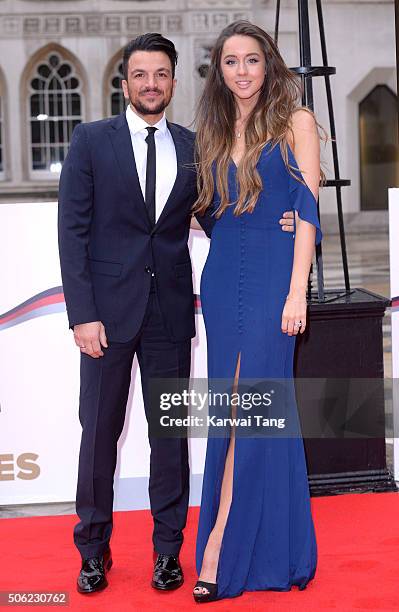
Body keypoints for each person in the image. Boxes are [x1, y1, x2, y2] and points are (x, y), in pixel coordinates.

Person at [58, 32, 296, 596]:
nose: (151, 84)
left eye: (161, 74)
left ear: (172, 81)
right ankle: (93, 551)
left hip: (169, 314)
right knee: (100, 435)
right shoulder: (92, 141)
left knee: (169, 438)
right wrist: (82, 314)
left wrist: (279, 223)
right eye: (140, 75)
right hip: (106, 319)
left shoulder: (195, 145)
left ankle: (169, 553)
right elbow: (73, 233)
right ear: (125, 84)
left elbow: (221, 216)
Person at [192, 20, 323, 603]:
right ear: (218, 72)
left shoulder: (296, 123)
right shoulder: (216, 131)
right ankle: (267, 544)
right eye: (230, 62)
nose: (241, 71)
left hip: (274, 280)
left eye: (251, 60)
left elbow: (308, 211)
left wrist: (297, 291)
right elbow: (210, 211)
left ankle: (221, 541)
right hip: (222, 281)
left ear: (267, 66)